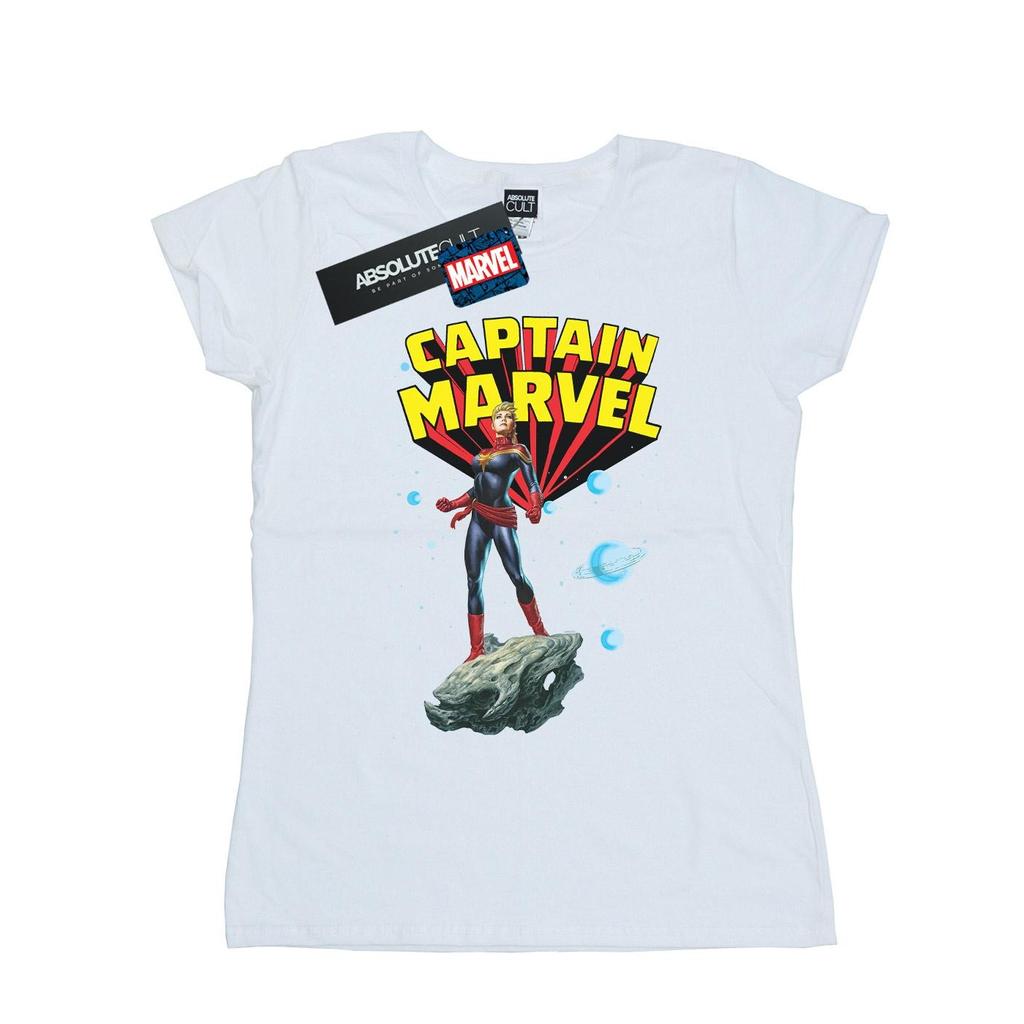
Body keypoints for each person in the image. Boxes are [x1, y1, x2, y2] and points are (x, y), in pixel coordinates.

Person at [436, 402, 549, 661]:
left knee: (517, 576)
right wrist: (453, 504)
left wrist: (535, 506)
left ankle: (539, 630)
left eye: (508, 416)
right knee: (473, 581)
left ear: (513, 425)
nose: (503, 419)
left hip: (501, 519)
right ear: (492, 423)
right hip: (479, 518)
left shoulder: (518, 450)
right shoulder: (483, 453)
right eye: (499, 416)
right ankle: (476, 650)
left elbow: (532, 483)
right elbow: (478, 487)